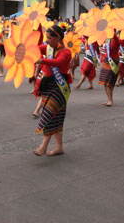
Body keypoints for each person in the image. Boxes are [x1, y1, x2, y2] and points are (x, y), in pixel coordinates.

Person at [32, 25, 71, 156]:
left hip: (59, 87)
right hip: (48, 86)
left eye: (49, 38)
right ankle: (59, 148)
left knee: (48, 114)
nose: (46, 40)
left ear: (57, 38)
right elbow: (36, 49)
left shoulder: (66, 52)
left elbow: (58, 62)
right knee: (56, 117)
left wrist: (42, 60)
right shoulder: (48, 48)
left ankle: (43, 146)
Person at [98, 34, 120, 106]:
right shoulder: (106, 39)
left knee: (110, 81)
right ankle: (108, 99)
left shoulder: (116, 40)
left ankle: (110, 99)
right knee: (105, 81)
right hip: (106, 61)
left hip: (113, 61)